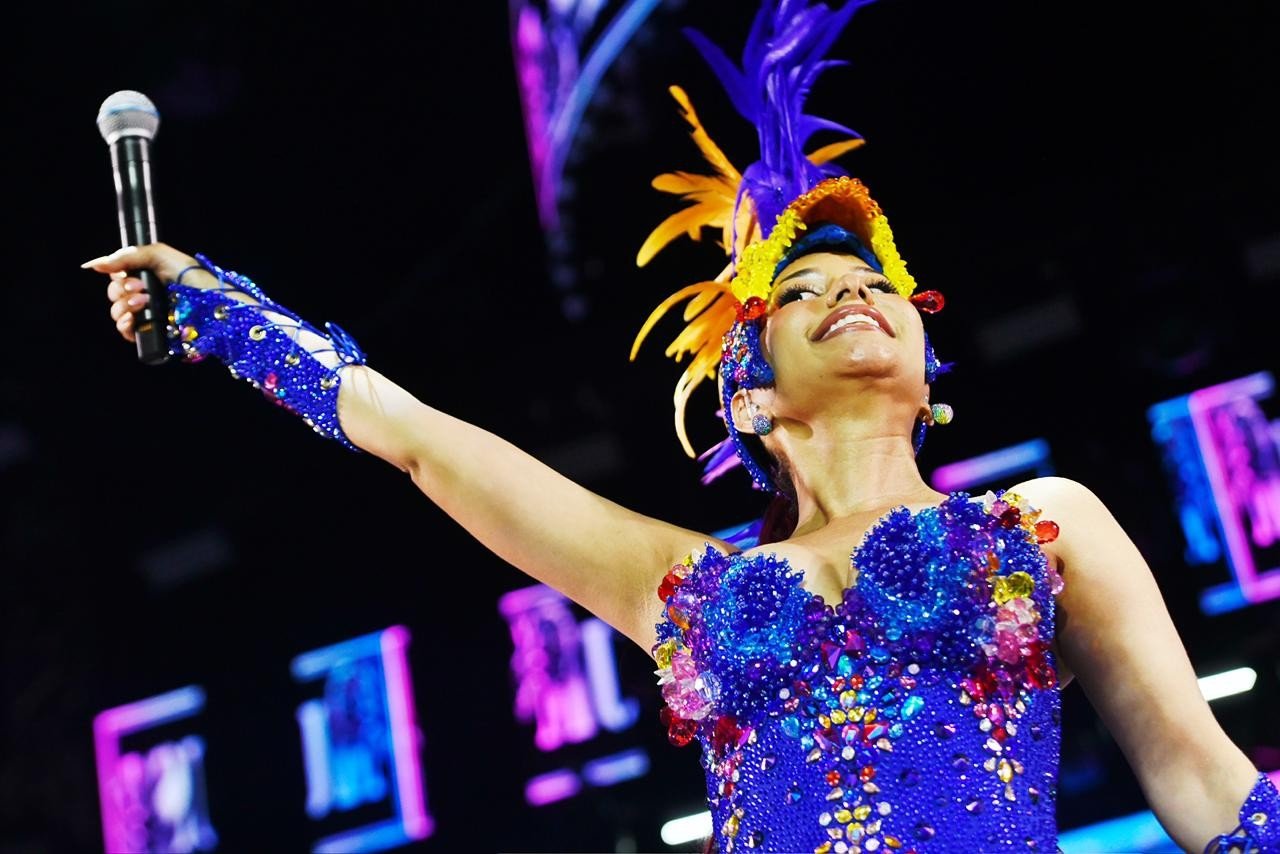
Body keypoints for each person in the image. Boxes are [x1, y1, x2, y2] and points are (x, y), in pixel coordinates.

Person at [84, 2, 1278, 851]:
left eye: (874, 282)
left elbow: (1194, 771)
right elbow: (421, 440)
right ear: (749, 395)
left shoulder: (1041, 525)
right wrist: (214, 308)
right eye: (802, 291)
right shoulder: (687, 586)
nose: (851, 291)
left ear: (927, 375)